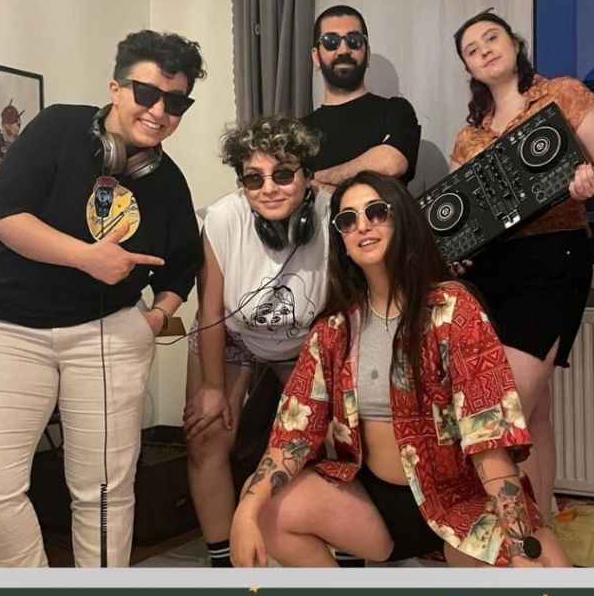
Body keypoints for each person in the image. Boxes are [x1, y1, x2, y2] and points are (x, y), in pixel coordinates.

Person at [0, 30, 206, 568]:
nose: (159, 111)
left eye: (176, 102)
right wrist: (88, 257)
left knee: (105, 493)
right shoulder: (59, 127)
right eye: (147, 93)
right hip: (7, 327)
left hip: (109, 333)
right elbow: (1, 215)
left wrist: (157, 317)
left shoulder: (168, 182)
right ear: (116, 88)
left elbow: (183, 265)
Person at [229, 171, 569, 569]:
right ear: (342, 242)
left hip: (461, 498)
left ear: (402, 220)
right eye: (348, 220)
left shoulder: (452, 309)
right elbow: (293, 432)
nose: (363, 226)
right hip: (373, 504)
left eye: (376, 212)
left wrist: (520, 543)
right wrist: (246, 510)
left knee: (545, 579)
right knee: (266, 509)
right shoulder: (334, 330)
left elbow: (489, 435)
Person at [449, 9, 594, 523]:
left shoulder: (564, 94)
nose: (485, 50)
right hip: (489, 273)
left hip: (553, 257)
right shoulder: (469, 136)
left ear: (514, 43)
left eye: (492, 38)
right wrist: (456, 250)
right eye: (472, 49)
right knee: (533, 415)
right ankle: (542, 526)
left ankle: (513, 535)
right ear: (468, 67)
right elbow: (463, 220)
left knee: (501, 411)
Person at [182, 115, 331, 568]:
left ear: (307, 176)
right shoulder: (223, 218)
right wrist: (213, 388)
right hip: (233, 332)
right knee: (207, 434)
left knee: (334, 438)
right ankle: (223, 562)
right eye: (254, 178)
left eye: (283, 174)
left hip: (305, 340)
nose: (269, 188)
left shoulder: (333, 214)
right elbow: (210, 312)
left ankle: (336, 546)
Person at [303, 4, 421, 188]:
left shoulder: (395, 111)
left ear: (367, 53)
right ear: (316, 56)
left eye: (354, 40)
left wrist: (315, 179)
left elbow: (391, 163)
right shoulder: (299, 130)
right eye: (331, 41)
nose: (343, 50)